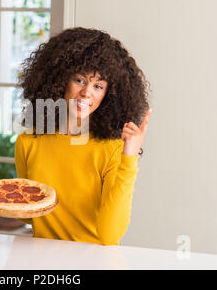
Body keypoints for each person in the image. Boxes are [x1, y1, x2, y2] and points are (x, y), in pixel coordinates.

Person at [14, 27, 152, 246]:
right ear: (60, 80)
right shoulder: (28, 142)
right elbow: (30, 216)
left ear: (108, 94)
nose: (87, 92)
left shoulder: (113, 149)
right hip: (41, 260)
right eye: (80, 80)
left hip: (96, 261)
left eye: (98, 86)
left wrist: (130, 158)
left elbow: (109, 235)